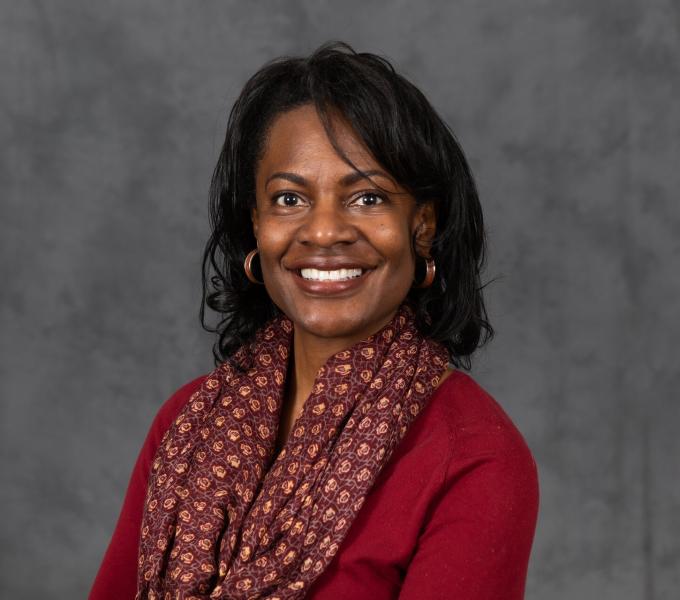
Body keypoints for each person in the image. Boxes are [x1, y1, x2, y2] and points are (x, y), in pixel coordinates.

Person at [90, 41, 539, 600]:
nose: (324, 232)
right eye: (289, 200)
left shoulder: (474, 456)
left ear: (421, 225)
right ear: (255, 224)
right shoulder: (187, 424)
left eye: (368, 199)